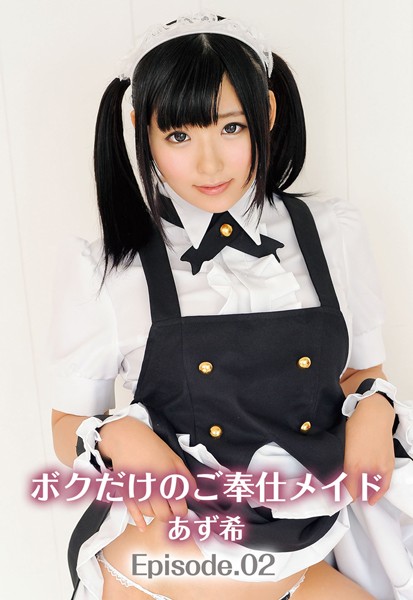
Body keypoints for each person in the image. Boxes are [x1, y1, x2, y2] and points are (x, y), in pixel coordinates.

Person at [50, 11, 413, 600]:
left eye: (232, 128)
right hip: (160, 570)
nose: (210, 164)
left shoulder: (334, 234)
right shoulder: (109, 269)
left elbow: (360, 374)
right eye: (179, 136)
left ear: (266, 113)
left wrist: (375, 407)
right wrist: (117, 437)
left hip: (304, 548)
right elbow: (66, 426)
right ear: (141, 128)